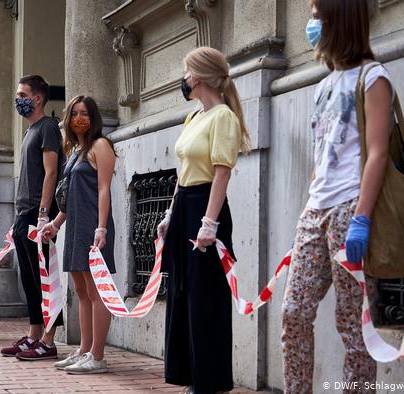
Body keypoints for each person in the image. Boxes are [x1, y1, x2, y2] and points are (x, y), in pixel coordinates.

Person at [281, 1, 390, 392]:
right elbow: (322, 152)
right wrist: (309, 207)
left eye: (316, 14)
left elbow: (377, 152)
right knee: (293, 311)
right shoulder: (323, 85)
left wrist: (362, 218)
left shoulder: (373, 77)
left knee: (352, 322)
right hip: (317, 207)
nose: (310, 24)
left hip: (350, 207)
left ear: (337, 18)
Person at [155, 46, 251, 393]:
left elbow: (221, 172)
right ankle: (189, 375)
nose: (184, 78)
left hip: (207, 206)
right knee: (181, 292)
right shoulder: (193, 117)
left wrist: (210, 224)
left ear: (200, 75)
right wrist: (170, 213)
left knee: (205, 296)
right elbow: (183, 172)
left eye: (186, 71)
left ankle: (210, 380)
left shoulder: (223, 116)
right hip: (185, 206)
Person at [41, 96, 116, 374]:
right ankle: (84, 350)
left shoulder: (100, 146)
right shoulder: (75, 150)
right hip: (74, 227)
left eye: (84, 113)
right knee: (82, 292)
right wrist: (57, 223)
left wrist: (101, 228)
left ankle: (97, 356)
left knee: (97, 293)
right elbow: (70, 195)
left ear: (93, 117)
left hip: (93, 225)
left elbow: (104, 190)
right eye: (73, 114)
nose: (78, 118)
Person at [0, 75, 65, 360]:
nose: (18, 100)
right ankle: (33, 334)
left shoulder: (48, 127)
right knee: (29, 279)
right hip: (23, 212)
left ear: (37, 98)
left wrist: (42, 214)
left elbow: (51, 172)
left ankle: (49, 341)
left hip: (38, 213)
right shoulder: (30, 130)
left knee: (44, 279)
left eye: (22, 94)